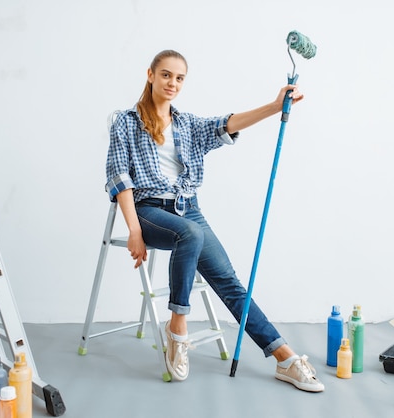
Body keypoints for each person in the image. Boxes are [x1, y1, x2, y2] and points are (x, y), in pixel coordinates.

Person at [104, 49, 324, 393]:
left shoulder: (188, 124)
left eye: (179, 78)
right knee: (190, 233)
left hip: (187, 208)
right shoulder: (126, 122)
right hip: (149, 211)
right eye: (165, 75)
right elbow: (119, 177)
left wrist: (275, 105)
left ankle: (284, 356)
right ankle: (178, 328)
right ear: (150, 75)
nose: (172, 83)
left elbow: (227, 123)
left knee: (229, 281)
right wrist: (133, 228)